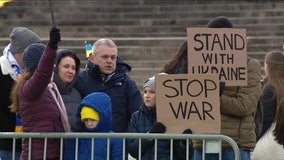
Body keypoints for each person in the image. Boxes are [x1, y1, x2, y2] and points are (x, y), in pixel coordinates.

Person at [193, 16, 262, 160]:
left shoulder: (250, 65)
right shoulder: (199, 66)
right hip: (203, 142)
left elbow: (245, 106)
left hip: (233, 145)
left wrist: (215, 97)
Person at [10, 27, 70, 160]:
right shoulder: (31, 87)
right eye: (50, 63)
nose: (54, 66)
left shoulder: (47, 88)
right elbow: (43, 73)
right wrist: (52, 46)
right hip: (39, 155)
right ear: (39, 64)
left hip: (50, 153)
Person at [74, 38, 143, 133]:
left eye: (113, 57)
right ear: (92, 58)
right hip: (87, 143)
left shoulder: (127, 84)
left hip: (117, 144)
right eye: (105, 57)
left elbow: (137, 116)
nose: (109, 61)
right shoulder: (80, 81)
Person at [127, 73, 193, 160]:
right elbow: (133, 150)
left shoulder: (175, 116)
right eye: (145, 91)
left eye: (152, 92)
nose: (147, 96)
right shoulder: (136, 116)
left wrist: (184, 143)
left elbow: (182, 156)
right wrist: (149, 136)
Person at [0, 27, 40, 160]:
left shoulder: (33, 72)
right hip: (5, 144)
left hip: (29, 144)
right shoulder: (2, 70)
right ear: (22, 51)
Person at [64, 92, 123, 160]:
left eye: (93, 119)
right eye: (86, 120)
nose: (89, 123)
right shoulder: (77, 137)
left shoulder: (115, 139)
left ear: (103, 117)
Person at [250, 51, 284, 160]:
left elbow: (264, 120)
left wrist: (255, 140)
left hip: (272, 142)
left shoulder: (269, 90)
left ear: (267, 66)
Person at [53, 49, 82, 131]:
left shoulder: (77, 93)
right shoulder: (48, 91)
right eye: (66, 66)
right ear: (56, 68)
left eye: (73, 68)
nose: (70, 71)